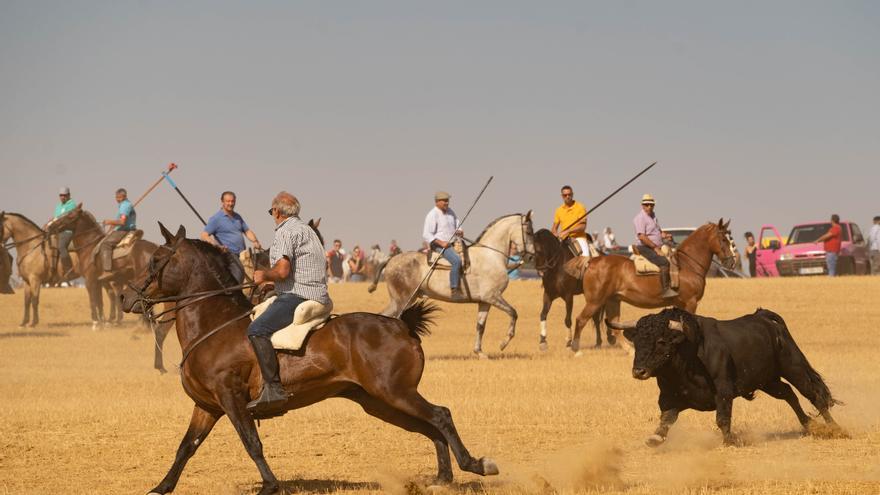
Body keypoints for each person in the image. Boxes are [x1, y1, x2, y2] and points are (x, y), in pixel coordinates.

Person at [247, 191, 330, 417]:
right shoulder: (308, 230)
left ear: (276, 211)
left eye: (271, 211)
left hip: (298, 296)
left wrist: (264, 276)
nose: (271, 215)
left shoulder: (285, 231)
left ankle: (273, 388)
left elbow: (282, 271)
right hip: (317, 293)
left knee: (257, 329)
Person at [200, 191, 262, 283]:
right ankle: (234, 294)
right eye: (228, 201)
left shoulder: (237, 217)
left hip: (242, 255)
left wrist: (255, 241)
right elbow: (204, 235)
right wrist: (216, 245)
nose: (230, 204)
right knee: (239, 272)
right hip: (228, 255)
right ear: (222, 202)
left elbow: (247, 231)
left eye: (232, 201)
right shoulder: (216, 219)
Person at [633, 193, 677, 298]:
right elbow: (642, 237)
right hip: (644, 247)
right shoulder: (639, 218)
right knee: (664, 262)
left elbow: (658, 232)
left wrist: (666, 236)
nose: (649, 207)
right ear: (642, 205)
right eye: (647, 205)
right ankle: (665, 290)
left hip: (656, 246)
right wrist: (656, 248)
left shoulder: (653, 216)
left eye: (651, 205)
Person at [423, 191, 465, 300]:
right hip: (439, 245)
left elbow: (457, 224)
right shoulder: (432, 214)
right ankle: (454, 289)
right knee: (456, 261)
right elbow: (427, 234)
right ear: (437, 202)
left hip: (453, 243)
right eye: (444, 201)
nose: (447, 203)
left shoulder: (451, 212)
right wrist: (441, 243)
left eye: (447, 200)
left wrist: (459, 230)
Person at [99, 188, 137, 281]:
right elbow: (118, 221)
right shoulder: (123, 205)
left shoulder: (125, 206)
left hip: (124, 230)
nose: (117, 199)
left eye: (118, 197)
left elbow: (122, 221)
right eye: (116, 197)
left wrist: (109, 221)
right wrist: (112, 226)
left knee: (105, 244)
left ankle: (107, 270)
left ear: (123, 196)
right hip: (121, 229)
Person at [551, 185, 589, 257]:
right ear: (562, 196)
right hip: (564, 240)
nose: (567, 196)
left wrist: (568, 231)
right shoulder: (559, 210)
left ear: (572, 194)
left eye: (569, 194)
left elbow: (582, 226)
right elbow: (554, 228)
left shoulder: (580, 207)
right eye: (565, 195)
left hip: (579, 238)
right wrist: (555, 234)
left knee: (585, 260)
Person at [47, 187, 77, 278]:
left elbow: (65, 219)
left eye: (64, 195)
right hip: (57, 231)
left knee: (61, 246)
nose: (62, 197)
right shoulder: (58, 206)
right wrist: (48, 223)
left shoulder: (71, 205)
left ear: (69, 195)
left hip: (67, 231)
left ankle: (69, 269)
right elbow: (56, 218)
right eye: (61, 195)